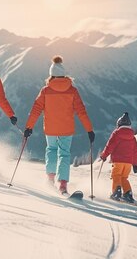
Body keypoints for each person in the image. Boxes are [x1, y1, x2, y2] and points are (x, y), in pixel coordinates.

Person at [24, 55, 95, 195]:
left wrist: (29, 127)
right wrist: (89, 129)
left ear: (51, 75)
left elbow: (36, 110)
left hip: (50, 128)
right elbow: (81, 111)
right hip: (66, 129)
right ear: (64, 74)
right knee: (64, 154)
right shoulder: (72, 91)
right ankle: (62, 185)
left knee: (51, 150)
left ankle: (50, 180)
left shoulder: (45, 90)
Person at [99, 112, 137, 203]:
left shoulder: (116, 133)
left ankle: (116, 193)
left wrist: (104, 155)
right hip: (128, 163)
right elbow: (135, 152)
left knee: (116, 176)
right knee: (124, 178)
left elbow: (110, 145)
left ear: (119, 124)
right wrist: (135, 164)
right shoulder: (132, 137)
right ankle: (127, 194)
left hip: (118, 161)